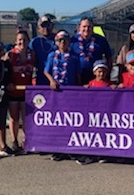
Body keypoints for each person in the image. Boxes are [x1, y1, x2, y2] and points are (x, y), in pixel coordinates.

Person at [44, 30, 81, 162]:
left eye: (65, 40)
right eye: (60, 40)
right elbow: (45, 71)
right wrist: (51, 81)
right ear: (56, 42)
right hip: (57, 93)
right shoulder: (52, 55)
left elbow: (77, 75)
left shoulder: (74, 57)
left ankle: (70, 148)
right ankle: (58, 149)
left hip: (70, 93)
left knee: (70, 121)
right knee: (57, 121)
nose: (63, 42)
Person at [4, 30, 34, 155]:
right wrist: (8, 83)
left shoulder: (32, 54)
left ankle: (27, 140)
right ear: (16, 41)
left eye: (25, 40)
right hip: (14, 90)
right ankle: (14, 141)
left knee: (26, 118)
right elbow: (4, 71)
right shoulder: (10, 55)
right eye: (20, 40)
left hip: (26, 91)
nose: (22, 42)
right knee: (14, 117)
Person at [70, 17, 113, 84]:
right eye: (84, 26)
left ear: (93, 27)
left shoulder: (101, 40)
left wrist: (107, 75)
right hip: (77, 77)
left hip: (96, 77)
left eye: (89, 27)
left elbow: (109, 58)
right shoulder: (73, 40)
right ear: (79, 27)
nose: (86, 29)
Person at [29, 15, 56, 85]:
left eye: (48, 25)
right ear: (38, 29)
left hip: (57, 77)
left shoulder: (59, 39)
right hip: (41, 78)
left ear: (52, 26)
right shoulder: (35, 42)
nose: (46, 28)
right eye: (43, 26)